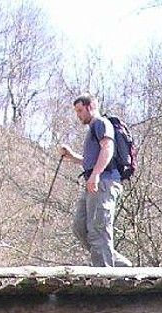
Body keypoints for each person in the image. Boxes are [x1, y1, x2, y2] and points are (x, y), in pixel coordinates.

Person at [59, 95, 131, 267]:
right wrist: (71, 156)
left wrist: (96, 174)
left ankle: (105, 276)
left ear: (90, 106)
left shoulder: (100, 123)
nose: (78, 115)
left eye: (80, 110)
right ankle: (118, 264)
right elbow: (91, 161)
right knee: (80, 227)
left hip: (104, 182)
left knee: (98, 229)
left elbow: (108, 148)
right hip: (95, 180)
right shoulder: (93, 128)